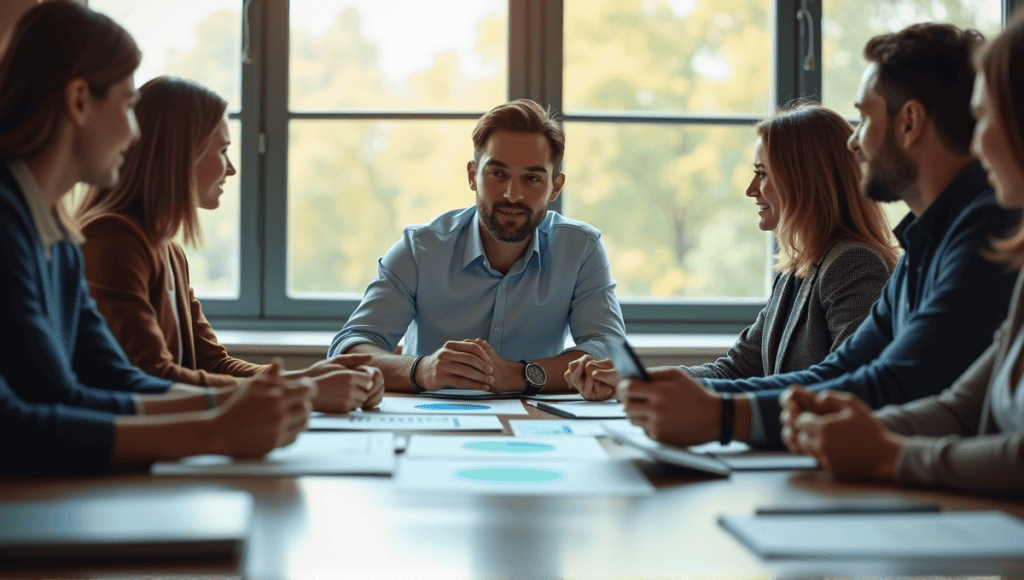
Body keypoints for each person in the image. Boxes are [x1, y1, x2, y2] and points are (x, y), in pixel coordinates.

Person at [615, 22, 1020, 450]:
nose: (853, 142)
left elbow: (901, 383)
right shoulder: (925, 244)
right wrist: (691, 399)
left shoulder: (987, 235)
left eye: (863, 118)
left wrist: (725, 416)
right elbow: (843, 370)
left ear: (910, 123)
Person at [0, 1, 312, 474]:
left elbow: (109, 380)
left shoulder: (59, 238)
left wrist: (237, 409)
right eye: (128, 105)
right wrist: (216, 429)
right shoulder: (12, 223)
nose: (134, 133)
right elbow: (20, 424)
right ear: (80, 101)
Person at [780, 11, 1024, 493]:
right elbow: (961, 407)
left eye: (983, 119)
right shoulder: (946, 246)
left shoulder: (982, 233)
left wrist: (890, 455)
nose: (975, 144)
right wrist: (857, 434)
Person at [75, 76, 383, 414]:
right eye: (222, 150)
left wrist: (309, 376)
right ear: (180, 154)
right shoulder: (112, 239)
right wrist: (302, 388)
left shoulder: (168, 251)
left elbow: (212, 364)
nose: (232, 168)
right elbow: (152, 376)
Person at [566, 103, 899, 400]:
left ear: (804, 181)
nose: (751, 190)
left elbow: (845, 388)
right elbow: (737, 368)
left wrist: (705, 406)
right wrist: (635, 379)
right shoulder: (797, 268)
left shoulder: (853, 264)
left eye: (762, 174)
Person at [329, 99, 627, 394]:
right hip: (431, 424)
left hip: (535, 426)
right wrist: (423, 369)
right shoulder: (420, 249)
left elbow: (612, 352)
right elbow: (346, 350)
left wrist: (520, 374)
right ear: (473, 175)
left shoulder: (581, 249)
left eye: (532, 178)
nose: (513, 194)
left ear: (556, 187)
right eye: (497, 174)